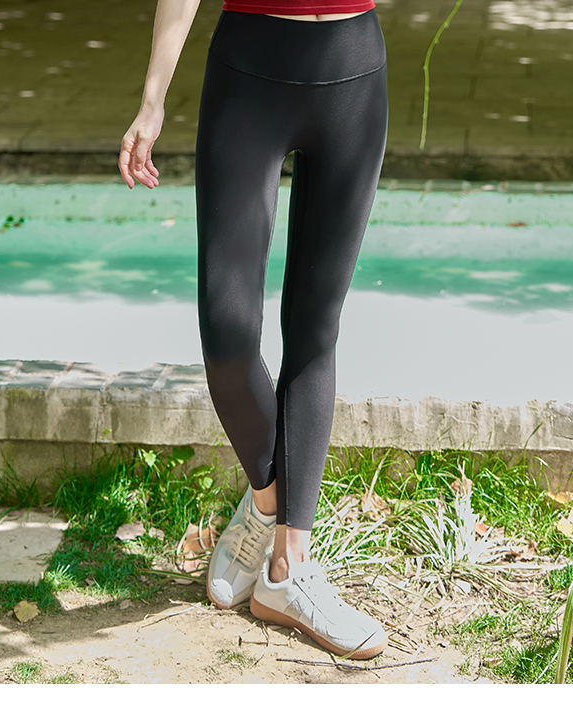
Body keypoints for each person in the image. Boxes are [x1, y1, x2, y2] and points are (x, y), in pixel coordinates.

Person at [120, 0, 389, 660]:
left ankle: (286, 572)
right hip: (250, 72)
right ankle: (266, 504)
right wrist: (152, 99)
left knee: (314, 328)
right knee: (228, 331)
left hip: (353, 70)